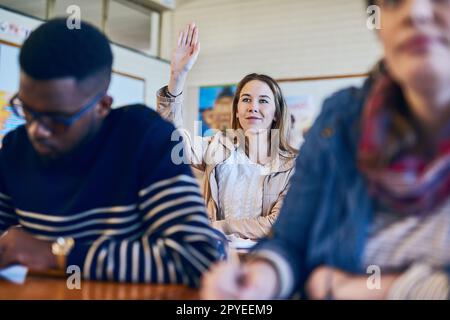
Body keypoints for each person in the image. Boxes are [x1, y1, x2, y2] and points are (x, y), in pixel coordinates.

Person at [201, 0, 450, 299]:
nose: (415, 12)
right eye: (394, 1)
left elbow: (271, 226)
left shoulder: (288, 159)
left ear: (277, 113)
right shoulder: (340, 119)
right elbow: (290, 241)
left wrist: (349, 287)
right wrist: (259, 281)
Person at [0, 18, 224, 286]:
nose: (37, 131)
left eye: (57, 119)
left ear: (103, 105)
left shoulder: (144, 141)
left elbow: (198, 259)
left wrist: (57, 254)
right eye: (27, 110)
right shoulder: (16, 149)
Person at [157, 23, 298, 240]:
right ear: (238, 111)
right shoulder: (217, 148)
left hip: (266, 265)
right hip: (216, 260)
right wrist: (178, 76)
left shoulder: (293, 165)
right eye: (246, 100)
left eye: (263, 101)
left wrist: (220, 227)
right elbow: (170, 141)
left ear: (276, 113)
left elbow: (279, 223)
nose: (253, 107)